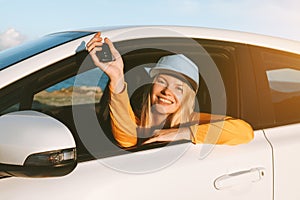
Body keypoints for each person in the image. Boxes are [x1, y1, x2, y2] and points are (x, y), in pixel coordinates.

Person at [86, 32, 254, 148]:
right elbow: (127, 141)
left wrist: (183, 133)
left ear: (187, 98)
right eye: (162, 81)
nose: (167, 91)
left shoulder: (194, 120)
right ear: (151, 86)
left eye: (179, 88)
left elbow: (245, 132)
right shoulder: (138, 118)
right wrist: (117, 77)